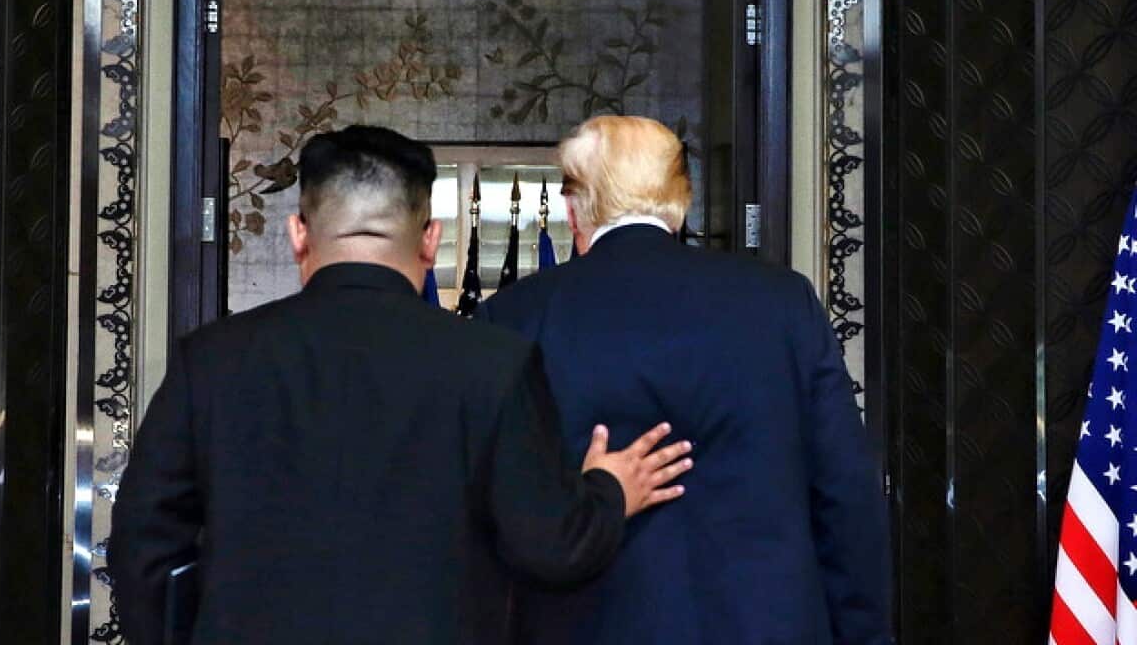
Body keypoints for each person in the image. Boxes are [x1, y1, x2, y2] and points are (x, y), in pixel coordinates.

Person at [108, 125, 694, 645]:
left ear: (297, 234)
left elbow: (143, 545)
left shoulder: (211, 360)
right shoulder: (492, 362)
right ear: (431, 238)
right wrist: (609, 490)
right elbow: (548, 548)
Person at [478, 115, 891, 645]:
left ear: (574, 208)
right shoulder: (783, 304)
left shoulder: (514, 318)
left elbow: (499, 523)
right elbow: (845, 496)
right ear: (682, 201)